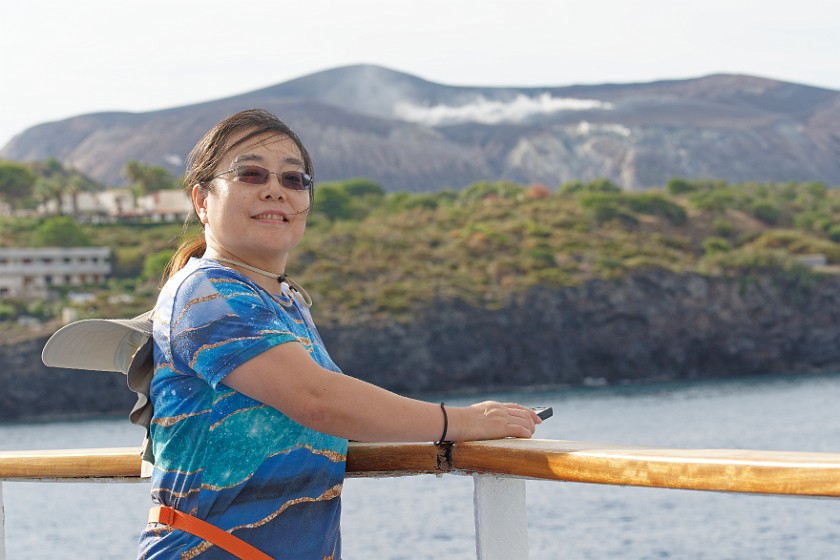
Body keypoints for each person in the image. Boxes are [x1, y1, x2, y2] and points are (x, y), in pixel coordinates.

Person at [136, 108, 541, 559]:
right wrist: (462, 422)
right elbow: (318, 400)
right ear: (201, 201)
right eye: (250, 174)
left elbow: (324, 415)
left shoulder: (283, 302)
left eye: (294, 180)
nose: (276, 189)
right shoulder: (205, 292)